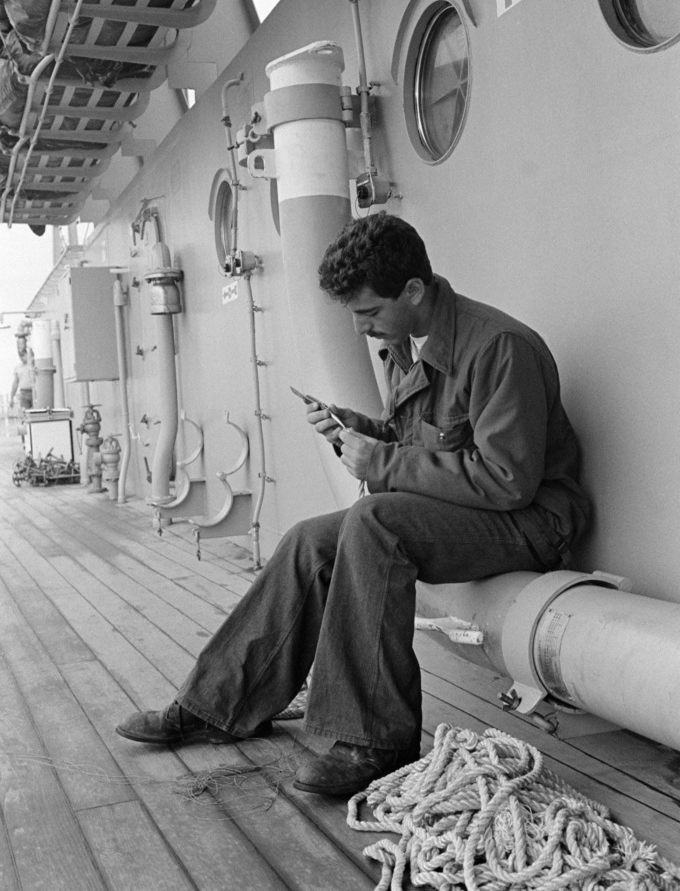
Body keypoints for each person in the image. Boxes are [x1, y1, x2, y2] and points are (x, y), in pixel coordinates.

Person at [116, 211, 590, 796]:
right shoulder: (403, 340)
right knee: (308, 540)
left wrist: (383, 464)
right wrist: (356, 429)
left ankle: (376, 740)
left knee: (374, 520)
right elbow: (421, 440)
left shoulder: (500, 347)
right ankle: (217, 703)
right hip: (476, 513)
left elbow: (507, 481)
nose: (361, 327)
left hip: (532, 522)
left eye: (368, 311)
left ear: (413, 290)